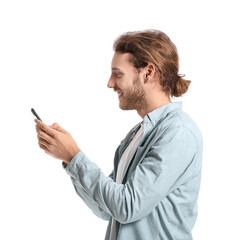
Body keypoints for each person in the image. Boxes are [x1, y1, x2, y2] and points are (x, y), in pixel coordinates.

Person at [35, 29, 203, 240]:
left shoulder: (178, 132)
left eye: (118, 74)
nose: (110, 83)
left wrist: (73, 156)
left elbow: (127, 206)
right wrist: (69, 161)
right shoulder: (138, 134)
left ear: (148, 72)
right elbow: (107, 209)